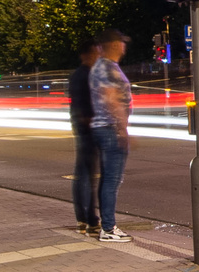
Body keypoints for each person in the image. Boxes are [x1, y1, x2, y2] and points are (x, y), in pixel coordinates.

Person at [88, 29, 133, 242]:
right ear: (114, 45)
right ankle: (108, 228)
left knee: (107, 179)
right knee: (112, 180)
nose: (124, 46)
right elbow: (112, 99)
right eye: (121, 42)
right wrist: (123, 130)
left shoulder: (101, 66)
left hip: (103, 127)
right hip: (110, 128)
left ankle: (106, 224)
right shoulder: (106, 67)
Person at [68, 40, 100, 234]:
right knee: (87, 176)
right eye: (95, 53)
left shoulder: (77, 75)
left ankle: (83, 218)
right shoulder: (86, 75)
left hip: (82, 129)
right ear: (86, 55)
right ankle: (89, 218)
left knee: (83, 174)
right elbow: (84, 105)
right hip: (88, 129)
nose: (97, 56)